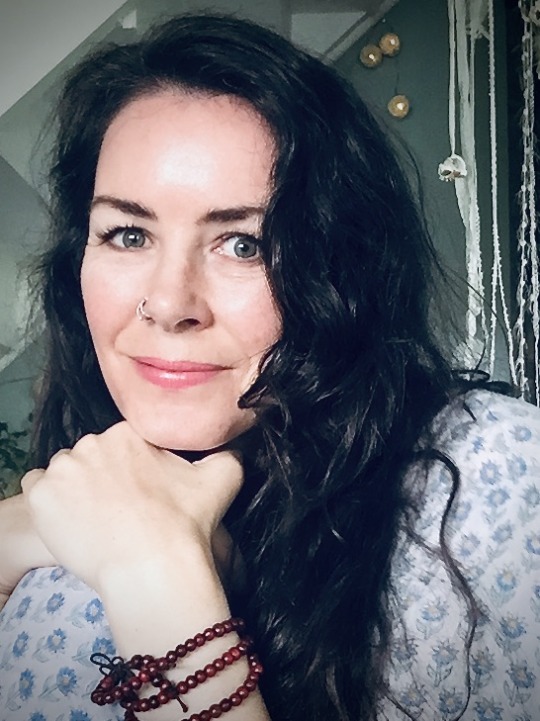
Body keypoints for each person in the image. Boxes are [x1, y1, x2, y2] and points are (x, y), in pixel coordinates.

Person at [0, 12, 538, 721]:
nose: (169, 304)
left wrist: (154, 571)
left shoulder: (498, 473)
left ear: (339, 269)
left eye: (244, 245)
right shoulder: (80, 493)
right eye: (128, 234)